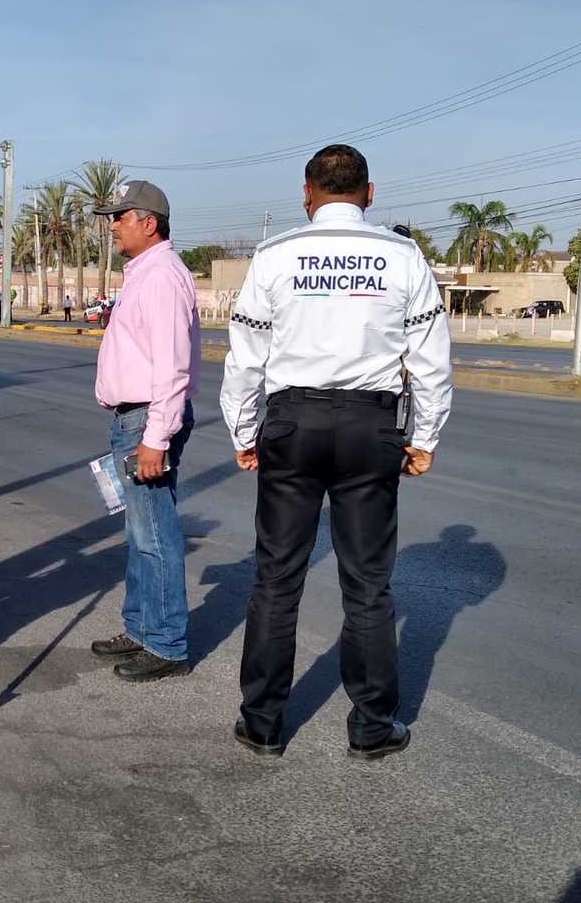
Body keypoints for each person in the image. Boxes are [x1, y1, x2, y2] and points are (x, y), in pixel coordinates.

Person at [219, 144, 452, 759]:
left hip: (292, 424)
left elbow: (245, 356)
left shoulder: (275, 257)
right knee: (368, 586)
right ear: (369, 194)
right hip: (369, 429)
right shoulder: (403, 258)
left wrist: (245, 433)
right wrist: (423, 438)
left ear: (307, 192)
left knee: (276, 577)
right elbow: (431, 363)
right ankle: (373, 727)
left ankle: (262, 723)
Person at [90, 181, 201, 682]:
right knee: (138, 531)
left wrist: (155, 438)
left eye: (120, 216)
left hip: (146, 420)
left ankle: (166, 644)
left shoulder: (162, 277)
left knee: (155, 532)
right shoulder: (143, 274)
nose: (113, 224)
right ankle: (140, 628)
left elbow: (173, 367)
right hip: (131, 418)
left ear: (148, 223)